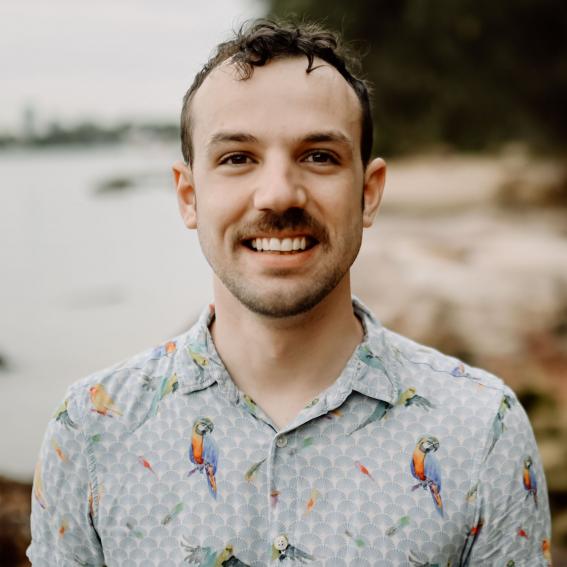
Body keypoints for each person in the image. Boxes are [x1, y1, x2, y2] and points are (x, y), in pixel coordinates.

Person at [28, 19, 551, 566]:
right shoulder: (90, 429)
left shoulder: (482, 429)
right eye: (237, 158)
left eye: (319, 155)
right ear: (188, 195)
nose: (278, 194)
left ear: (368, 194)